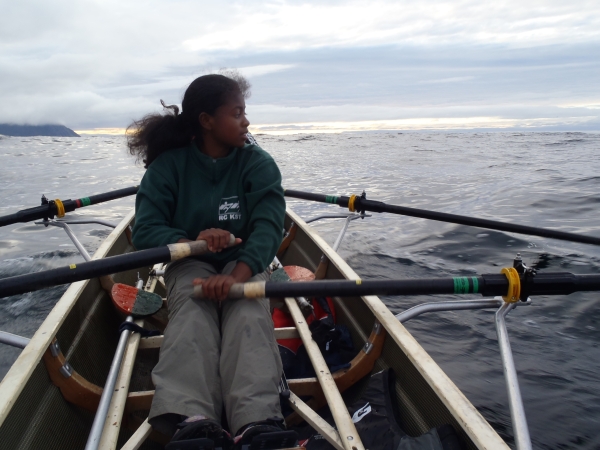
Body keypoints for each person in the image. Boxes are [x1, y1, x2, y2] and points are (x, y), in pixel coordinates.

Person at [128, 73, 293, 449]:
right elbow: (146, 232)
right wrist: (192, 241)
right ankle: (191, 419)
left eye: (244, 113)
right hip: (190, 263)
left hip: (246, 262)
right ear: (206, 121)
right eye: (236, 113)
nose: (246, 122)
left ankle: (257, 422)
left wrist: (237, 276)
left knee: (248, 311)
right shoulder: (168, 168)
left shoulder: (259, 164)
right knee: (191, 310)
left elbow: (269, 229)